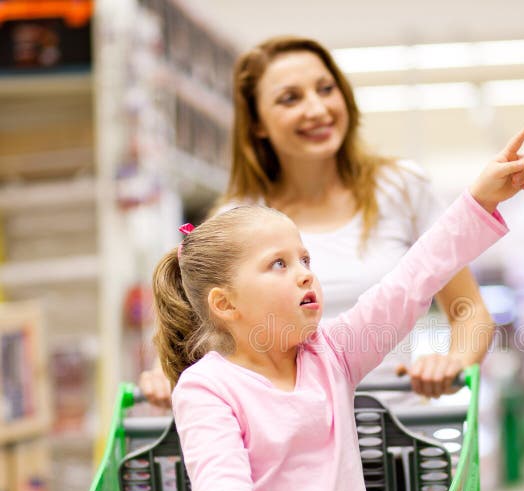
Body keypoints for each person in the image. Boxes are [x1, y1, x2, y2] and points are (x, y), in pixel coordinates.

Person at [153, 123, 524, 491]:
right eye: (278, 264)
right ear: (225, 304)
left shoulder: (331, 354)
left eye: (305, 259)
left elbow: (410, 281)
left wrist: (479, 200)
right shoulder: (207, 388)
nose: (305, 274)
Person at [140, 35, 497, 407]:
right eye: (290, 98)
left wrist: (454, 363)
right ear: (257, 123)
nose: (317, 108)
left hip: (396, 425)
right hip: (281, 431)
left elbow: (468, 309)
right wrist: (165, 372)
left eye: (326, 89)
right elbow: (199, 324)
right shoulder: (237, 219)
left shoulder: (401, 189)